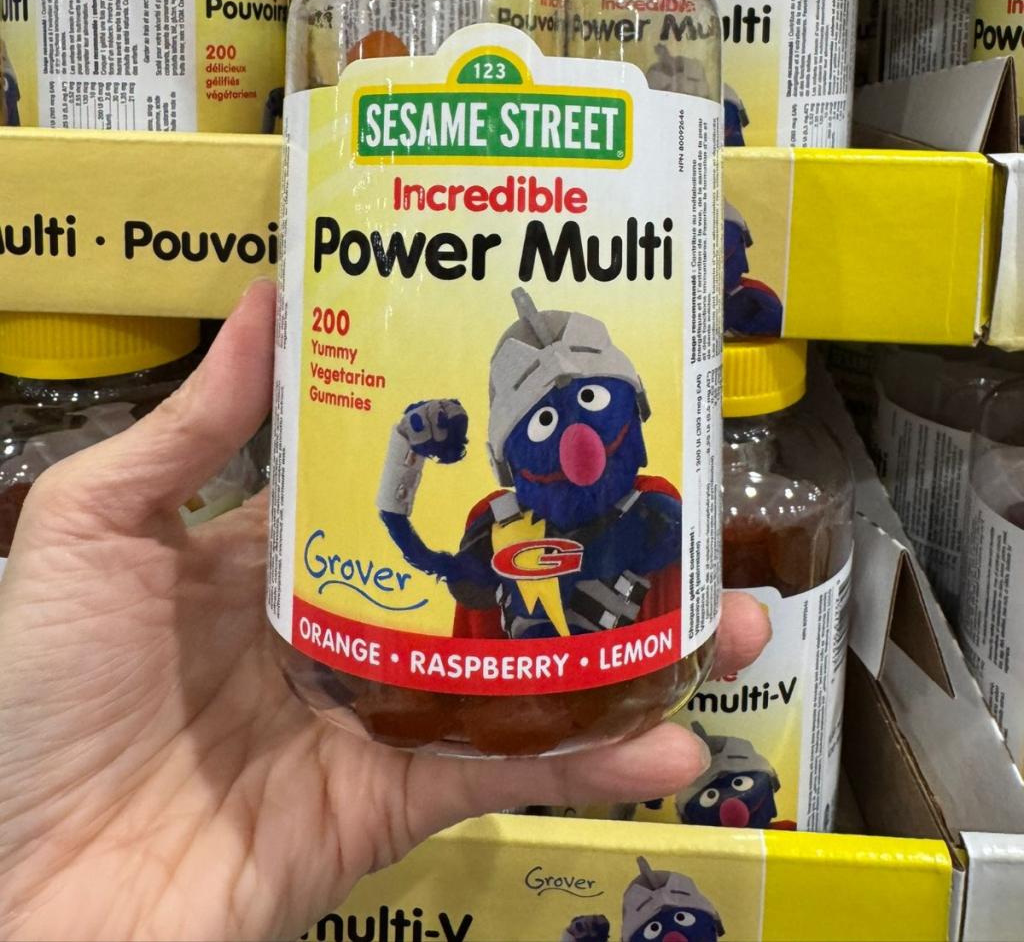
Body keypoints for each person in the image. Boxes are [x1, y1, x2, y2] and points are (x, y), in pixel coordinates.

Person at [0, 283, 770, 942]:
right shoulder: (497, 522)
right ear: (509, 453)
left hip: (614, 668)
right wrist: (404, 459)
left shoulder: (654, 511)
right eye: (544, 419)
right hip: (424, 698)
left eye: (594, 401)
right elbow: (434, 564)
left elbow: (660, 555)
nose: (577, 441)